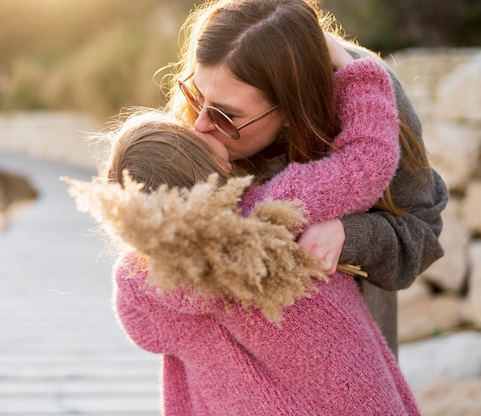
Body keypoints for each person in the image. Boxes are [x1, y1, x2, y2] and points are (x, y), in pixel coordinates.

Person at [67, 50, 421, 413]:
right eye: (189, 135)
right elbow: (365, 161)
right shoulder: (270, 214)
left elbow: (144, 328)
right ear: (206, 163)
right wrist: (353, 68)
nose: (200, 124)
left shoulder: (145, 282)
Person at [164, 0, 448, 357]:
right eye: (196, 93)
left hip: (345, 366)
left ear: (291, 109)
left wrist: (348, 235)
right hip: (227, 368)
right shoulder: (209, 99)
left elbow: (423, 235)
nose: (199, 124)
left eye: (226, 114)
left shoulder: (373, 98)